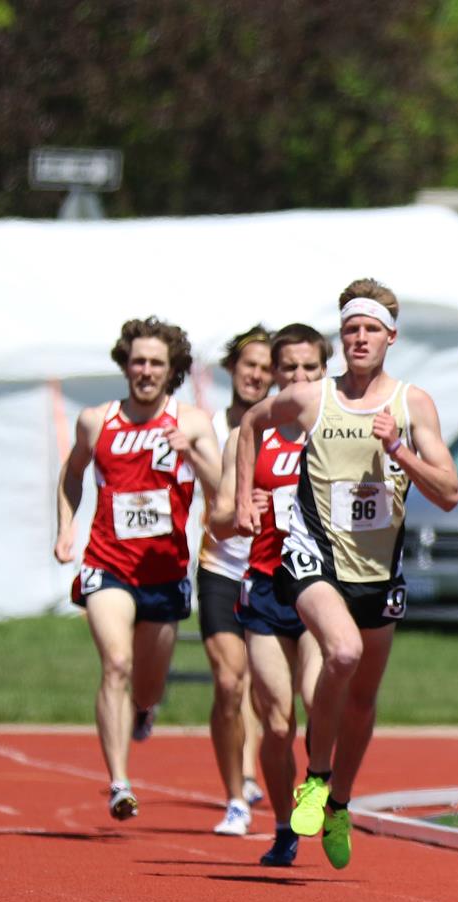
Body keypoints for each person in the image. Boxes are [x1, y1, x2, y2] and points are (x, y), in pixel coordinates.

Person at [234, 280, 458, 871]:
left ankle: (338, 803)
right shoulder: (312, 398)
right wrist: (241, 500)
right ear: (343, 338)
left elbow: (450, 493)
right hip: (313, 556)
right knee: (341, 652)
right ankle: (315, 777)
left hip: (379, 570)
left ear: (391, 336)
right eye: (351, 329)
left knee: (362, 701)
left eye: (371, 329)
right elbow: (252, 424)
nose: (360, 339)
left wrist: (401, 452)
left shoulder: (414, 405)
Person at [55, 318, 220, 820]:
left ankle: (145, 710)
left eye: (156, 363)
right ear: (125, 364)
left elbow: (222, 489)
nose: (145, 371)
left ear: (171, 371)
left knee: (146, 685)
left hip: (166, 570)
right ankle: (119, 783)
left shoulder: (191, 421)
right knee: (116, 665)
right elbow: (72, 473)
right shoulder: (96, 420)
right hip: (107, 562)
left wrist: (190, 451)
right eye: (138, 361)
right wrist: (66, 528)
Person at [211, 323, 325, 867]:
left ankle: (321, 783)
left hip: (323, 586)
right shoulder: (248, 433)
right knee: (276, 719)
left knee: (316, 695)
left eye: (310, 369)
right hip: (264, 586)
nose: (300, 379)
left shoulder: (336, 429)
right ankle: (283, 825)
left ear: (324, 372)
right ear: (273, 374)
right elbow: (216, 518)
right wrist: (240, 512)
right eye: (290, 370)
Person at [195, 325, 273, 836]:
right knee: (230, 680)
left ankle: (250, 769)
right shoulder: (208, 428)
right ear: (231, 369)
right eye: (250, 366)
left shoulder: (289, 426)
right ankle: (238, 787)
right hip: (222, 563)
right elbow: (210, 498)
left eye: (268, 369)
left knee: (265, 686)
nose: (257, 376)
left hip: (269, 566)